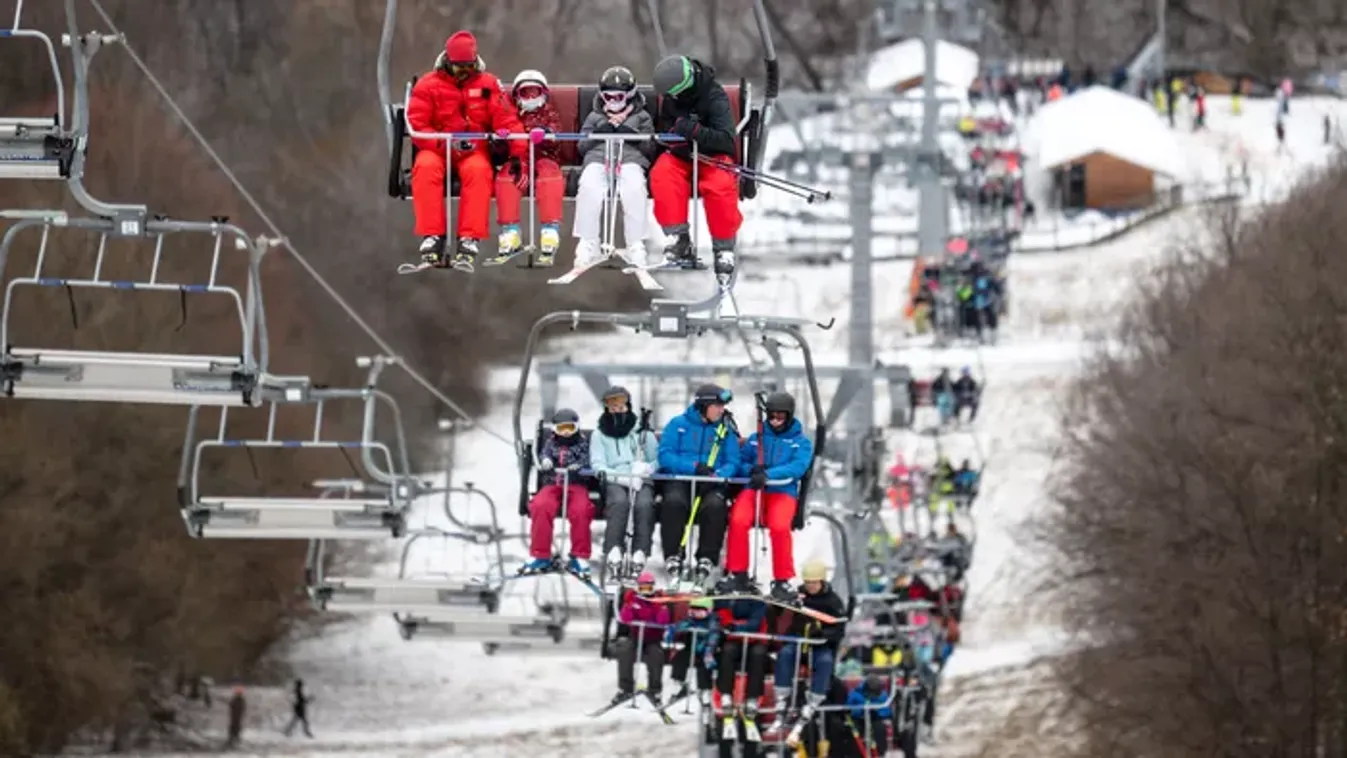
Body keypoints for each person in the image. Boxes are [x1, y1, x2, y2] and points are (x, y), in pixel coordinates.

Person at [407, 31, 524, 270]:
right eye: (459, 68)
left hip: (473, 149)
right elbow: (418, 123)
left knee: (479, 171)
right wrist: (444, 143)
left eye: (469, 67)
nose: (464, 73)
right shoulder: (428, 85)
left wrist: (517, 152)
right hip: (438, 148)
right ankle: (432, 235)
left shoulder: (488, 84)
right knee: (425, 167)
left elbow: (506, 119)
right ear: (448, 62)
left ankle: (469, 237)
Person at [649, 55, 743, 282]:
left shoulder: (715, 96)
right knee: (663, 173)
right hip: (683, 154)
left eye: (675, 94)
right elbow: (666, 129)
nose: (672, 98)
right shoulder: (671, 99)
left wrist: (695, 131)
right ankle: (678, 238)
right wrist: (672, 139)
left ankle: (724, 247)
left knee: (720, 185)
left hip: (713, 156)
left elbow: (726, 140)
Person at [723, 391, 814, 600]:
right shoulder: (757, 439)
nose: (775, 420)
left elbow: (797, 467)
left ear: (789, 416)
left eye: (780, 416)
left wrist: (768, 475)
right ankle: (738, 573)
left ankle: (782, 580)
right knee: (738, 520)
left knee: (779, 526)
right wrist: (752, 470)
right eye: (771, 416)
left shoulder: (800, 443)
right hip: (754, 489)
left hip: (782, 491)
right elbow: (741, 461)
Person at [657, 383, 739, 584]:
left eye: (722, 406)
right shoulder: (678, 425)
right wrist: (693, 467)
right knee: (674, 502)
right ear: (704, 406)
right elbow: (665, 455)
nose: (721, 410)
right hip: (682, 478)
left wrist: (717, 475)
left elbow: (733, 461)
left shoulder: (724, 430)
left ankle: (707, 557)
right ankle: (673, 555)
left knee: (715, 506)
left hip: (711, 481)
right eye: (717, 406)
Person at [574, 66, 656, 268]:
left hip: (629, 160)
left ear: (629, 96)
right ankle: (588, 241)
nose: (612, 101)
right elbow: (581, 147)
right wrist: (598, 134)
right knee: (589, 186)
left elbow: (651, 149)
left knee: (634, 188)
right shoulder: (594, 117)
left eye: (618, 97)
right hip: (598, 159)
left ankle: (635, 243)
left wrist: (635, 136)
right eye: (608, 97)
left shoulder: (642, 117)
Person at [490, 69, 563, 265]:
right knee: (506, 178)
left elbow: (556, 135)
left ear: (543, 93)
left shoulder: (548, 112)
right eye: (525, 93)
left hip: (544, 157)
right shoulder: (511, 113)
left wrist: (546, 133)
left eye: (535, 92)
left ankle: (550, 231)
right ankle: (510, 232)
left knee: (549, 177)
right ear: (517, 95)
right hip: (518, 159)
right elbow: (498, 151)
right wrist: (501, 140)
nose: (530, 98)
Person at [590, 385, 659, 576]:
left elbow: (657, 458)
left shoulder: (642, 433)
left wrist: (646, 469)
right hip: (615, 479)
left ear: (628, 407)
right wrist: (619, 477)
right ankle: (614, 549)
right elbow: (598, 463)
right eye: (613, 407)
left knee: (644, 504)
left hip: (640, 478)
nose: (618, 411)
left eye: (621, 407)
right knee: (619, 502)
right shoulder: (599, 434)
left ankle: (640, 551)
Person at [519, 408, 595, 577]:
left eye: (570, 428)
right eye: (562, 428)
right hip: (553, 483)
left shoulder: (582, 443)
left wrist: (579, 467)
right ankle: (540, 554)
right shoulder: (551, 443)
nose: (566, 432)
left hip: (576, 484)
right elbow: (544, 454)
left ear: (577, 427)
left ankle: (579, 555)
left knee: (581, 510)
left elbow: (588, 459)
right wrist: (546, 461)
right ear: (555, 429)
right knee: (540, 505)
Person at [773, 561, 847, 716]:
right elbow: (783, 616)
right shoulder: (798, 597)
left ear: (821, 581)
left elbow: (839, 629)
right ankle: (782, 696)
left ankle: (815, 698)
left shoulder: (832, 602)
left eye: (814, 583)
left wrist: (823, 634)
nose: (810, 586)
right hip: (799, 641)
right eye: (808, 583)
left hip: (819, 645)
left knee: (825, 661)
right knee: (785, 654)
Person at [610, 571, 671, 705]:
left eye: (648, 588)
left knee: (656, 655)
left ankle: (655, 690)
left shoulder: (659, 600)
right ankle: (625, 688)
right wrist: (629, 604)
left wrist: (660, 607)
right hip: (636, 636)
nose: (646, 591)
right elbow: (625, 618)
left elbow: (663, 621)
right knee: (625, 650)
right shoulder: (634, 599)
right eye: (643, 588)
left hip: (653, 638)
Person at [666, 594, 722, 706]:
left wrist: (709, 651)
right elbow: (680, 626)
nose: (696, 613)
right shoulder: (690, 620)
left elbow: (714, 636)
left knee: (705, 666)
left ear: (708, 611)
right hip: (691, 649)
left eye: (700, 610)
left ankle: (705, 691)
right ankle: (679, 684)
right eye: (693, 610)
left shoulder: (713, 622)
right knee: (679, 658)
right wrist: (672, 631)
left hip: (706, 650)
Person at [845, 674, 893, 756]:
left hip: (875, 719)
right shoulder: (855, 694)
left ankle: (880, 753)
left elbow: (887, 711)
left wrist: (877, 712)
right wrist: (859, 711)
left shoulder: (882, 695)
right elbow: (848, 709)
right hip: (858, 719)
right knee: (854, 731)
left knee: (880, 728)